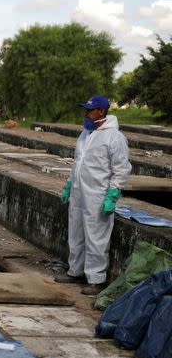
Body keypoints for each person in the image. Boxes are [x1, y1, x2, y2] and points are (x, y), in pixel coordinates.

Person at [55, 95, 131, 295]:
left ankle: (96, 279)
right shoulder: (85, 134)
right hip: (79, 192)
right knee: (76, 232)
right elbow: (77, 163)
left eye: (89, 110)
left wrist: (112, 195)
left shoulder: (114, 137)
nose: (86, 114)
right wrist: (69, 186)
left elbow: (121, 169)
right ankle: (75, 271)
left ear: (101, 111)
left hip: (97, 194)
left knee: (96, 236)